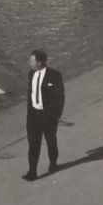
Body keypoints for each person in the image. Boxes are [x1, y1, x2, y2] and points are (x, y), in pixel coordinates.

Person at [23, 49, 65, 180]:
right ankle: (32, 171)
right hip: (33, 116)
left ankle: (53, 161)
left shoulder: (54, 75)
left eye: (32, 61)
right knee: (33, 144)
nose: (30, 63)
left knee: (50, 140)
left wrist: (55, 116)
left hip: (48, 116)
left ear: (40, 62)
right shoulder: (31, 74)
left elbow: (60, 98)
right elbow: (30, 95)